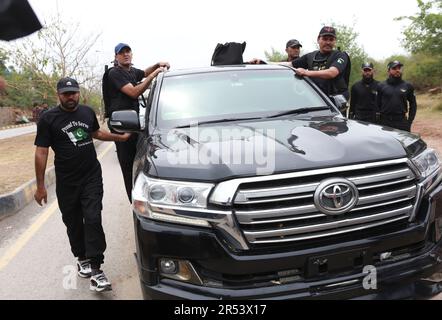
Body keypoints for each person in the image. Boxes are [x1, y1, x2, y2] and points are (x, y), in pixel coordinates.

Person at [34, 77, 131, 292]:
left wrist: (119, 138)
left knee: (93, 217)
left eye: (74, 92)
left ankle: (97, 269)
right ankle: (82, 257)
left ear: (79, 93)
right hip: (67, 181)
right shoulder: (48, 119)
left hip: (91, 176)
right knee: (73, 222)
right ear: (58, 95)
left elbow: (96, 133)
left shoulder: (87, 112)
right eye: (66, 93)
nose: (71, 97)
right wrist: (40, 186)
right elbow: (41, 152)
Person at [107, 43, 170, 202]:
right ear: (116, 57)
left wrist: (157, 64)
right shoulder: (114, 73)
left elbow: (143, 72)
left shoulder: (130, 71)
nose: (126, 55)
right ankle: (134, 201)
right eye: (122, 53)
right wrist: (154, 75)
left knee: (143, 164)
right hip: (122, 126)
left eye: (128, 51)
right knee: (128, 167)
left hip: (136, 125)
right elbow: (134, 92)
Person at [377, 61, 417, 132]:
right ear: (388, 71)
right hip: (385, 122)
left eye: (399, 68)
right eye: (394, 68)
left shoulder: (408, 86)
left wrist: (409, 121)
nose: (397, 70)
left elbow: (413, 104)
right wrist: (377, 121)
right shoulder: (381, 86)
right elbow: (377, 105)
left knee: (402, 143)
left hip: (401, 122)